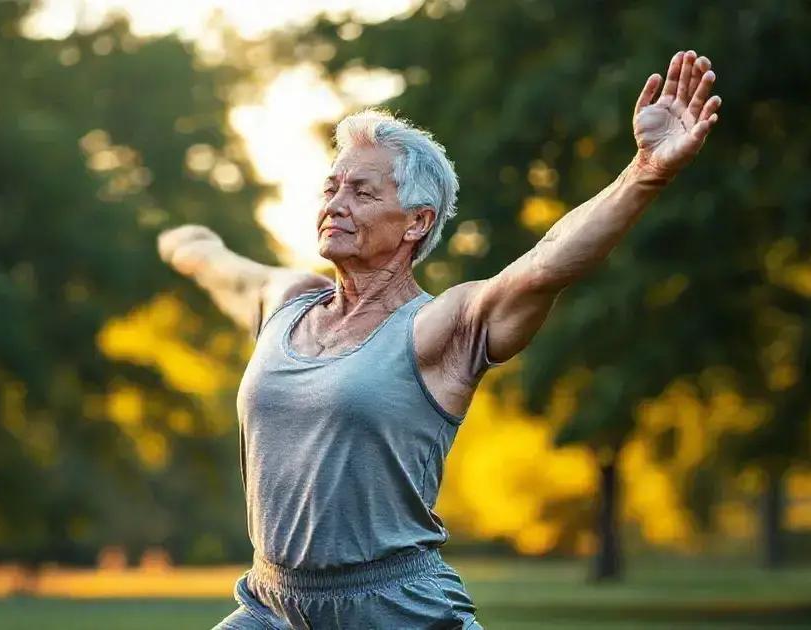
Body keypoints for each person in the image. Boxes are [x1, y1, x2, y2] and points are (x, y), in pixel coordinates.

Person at [158, 50, 721, 629]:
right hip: (272, 605)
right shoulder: (287, 303)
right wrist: (178, 239)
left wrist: (646, 171)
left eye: (362, 192)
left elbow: (546, 265)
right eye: (332, 188)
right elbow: (216, 264)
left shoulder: (439, 328)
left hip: (394, 608)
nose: (336, 205)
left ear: (417, 222)